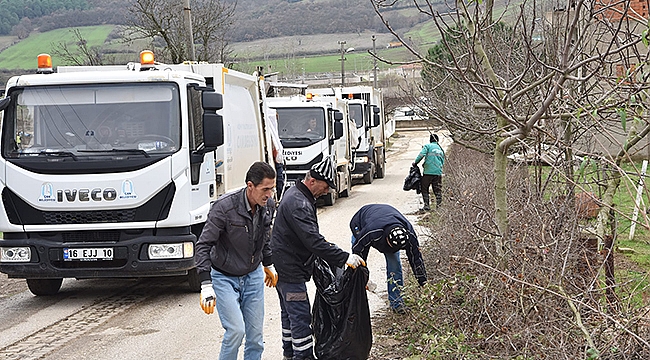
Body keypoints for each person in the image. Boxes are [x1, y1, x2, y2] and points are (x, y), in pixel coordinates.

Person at [271, 156, 366, 360]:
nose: (328, 191)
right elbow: (313, 241)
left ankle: (289, 354)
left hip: (286, 268)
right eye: (325, 186)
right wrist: (344, 258)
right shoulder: (299, 204)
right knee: (300, 316)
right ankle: (303, 356)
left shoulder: (296, 195)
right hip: (291, 271)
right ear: (312, 181)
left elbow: (309, 240)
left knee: (289, 316)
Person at [195, 161, 279, 360]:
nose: (269, 194)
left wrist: (268, 263)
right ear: (250, 186)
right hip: (224, 277)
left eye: (272, 189)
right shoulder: (224, 208)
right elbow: (204, 245)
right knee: (235, 331)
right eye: (265, 189)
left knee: (256, 338)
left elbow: (264, 237)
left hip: (253, 276)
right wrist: (206, 284)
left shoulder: (268, 206)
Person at [349, 204, 427, 314]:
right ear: (387, 239)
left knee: (395, 265)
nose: (395, 250)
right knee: (358, 267)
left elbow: (416, 259)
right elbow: (358, 252)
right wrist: (362, 273)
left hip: (385, 219)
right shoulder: (371, 232)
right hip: (361, 223)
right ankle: (356, 304)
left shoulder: (409, 235)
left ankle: (397, 303)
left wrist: (423, 282)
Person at [413, 133, 445, 211]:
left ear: (430, 140)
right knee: (437, 189)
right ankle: (439, 207)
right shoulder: (441, 149)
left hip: (428, 172)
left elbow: (421, 155)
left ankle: (427, 206)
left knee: (424, 188)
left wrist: (415, 163)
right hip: (438, 172)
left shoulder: (427, 146)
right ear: (438, 140)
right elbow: (442, 161)